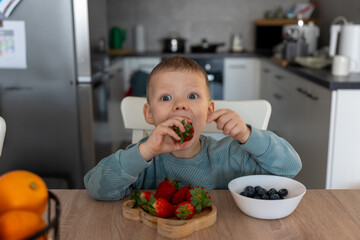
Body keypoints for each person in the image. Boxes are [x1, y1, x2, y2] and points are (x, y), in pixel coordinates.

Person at [84, 56, 302, 201]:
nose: (180, 104)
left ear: (209, 110)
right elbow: (96, 188)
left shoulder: (229, 154)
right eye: (166, 97)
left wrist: (247, 134)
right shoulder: (144, 159)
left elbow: (289, 168)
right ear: (149, 114)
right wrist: (144, 152)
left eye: (192, 96)